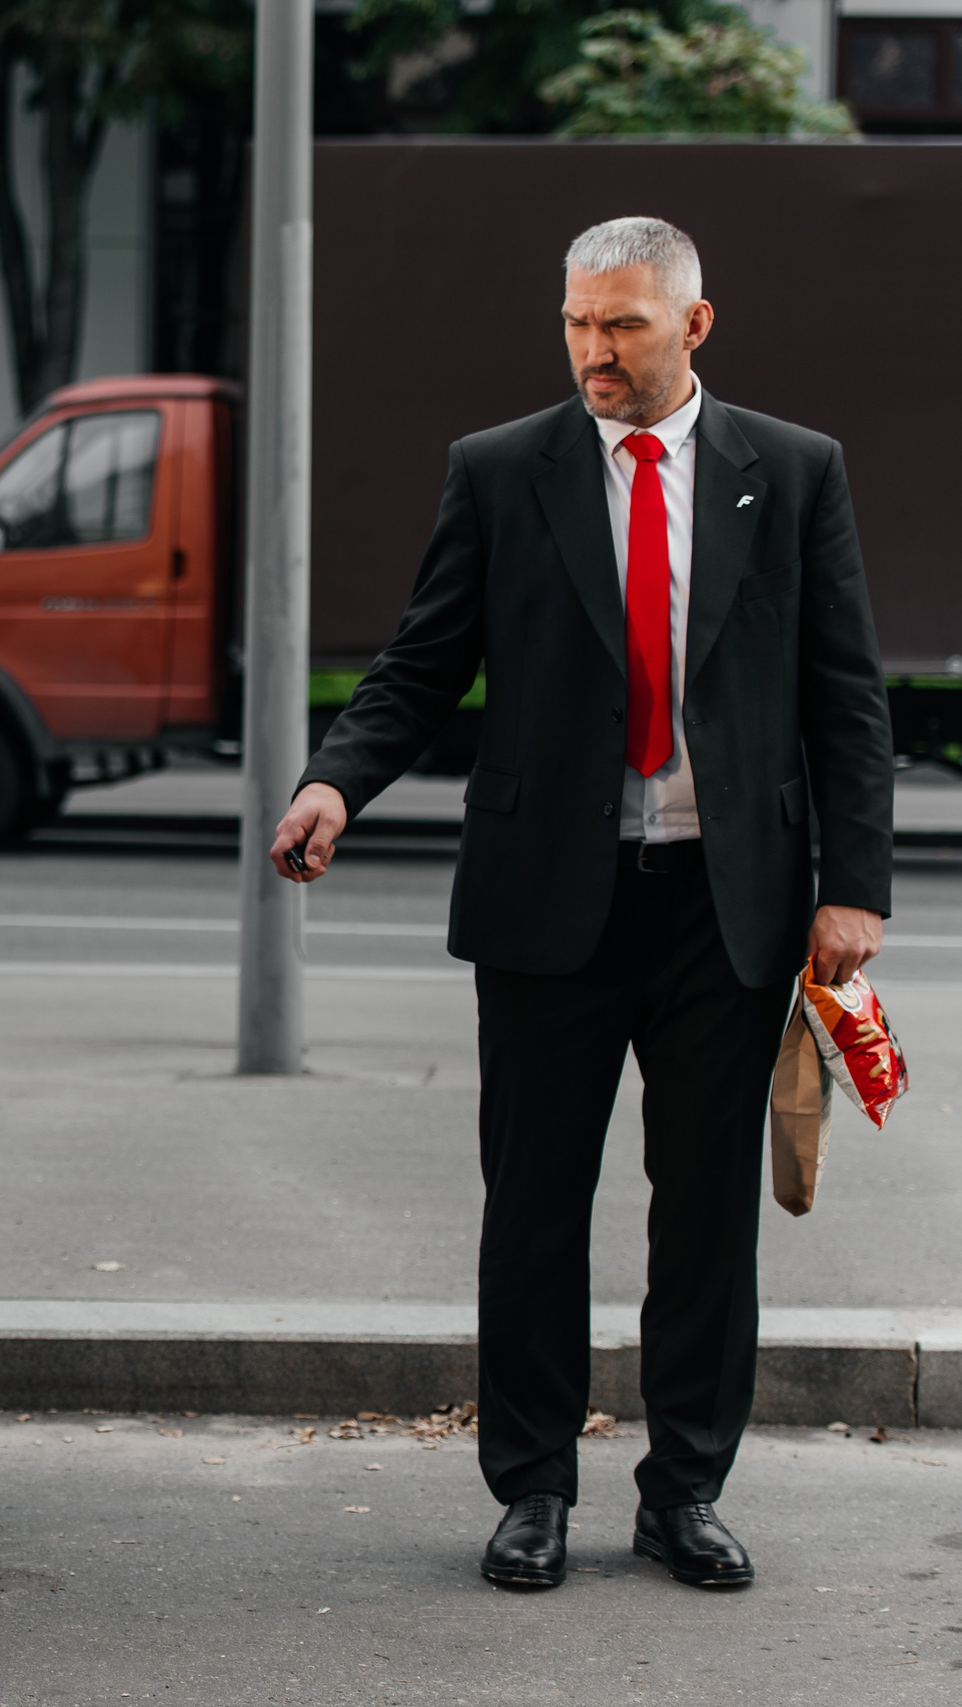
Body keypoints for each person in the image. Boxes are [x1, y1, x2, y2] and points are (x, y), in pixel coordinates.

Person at [269, 217, 893, 1591]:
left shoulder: (789, 474)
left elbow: (846, 695)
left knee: (705, 1218)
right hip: (552, 903)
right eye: (575, 324)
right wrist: (337, 784)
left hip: (723, 909)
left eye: (620, 326)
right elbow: (423, 660)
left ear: (696, 326)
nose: (592, 352)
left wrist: (855, 888)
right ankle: (533, 1488)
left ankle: (684, 1491)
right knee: (536, 1206)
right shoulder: (503, 471)